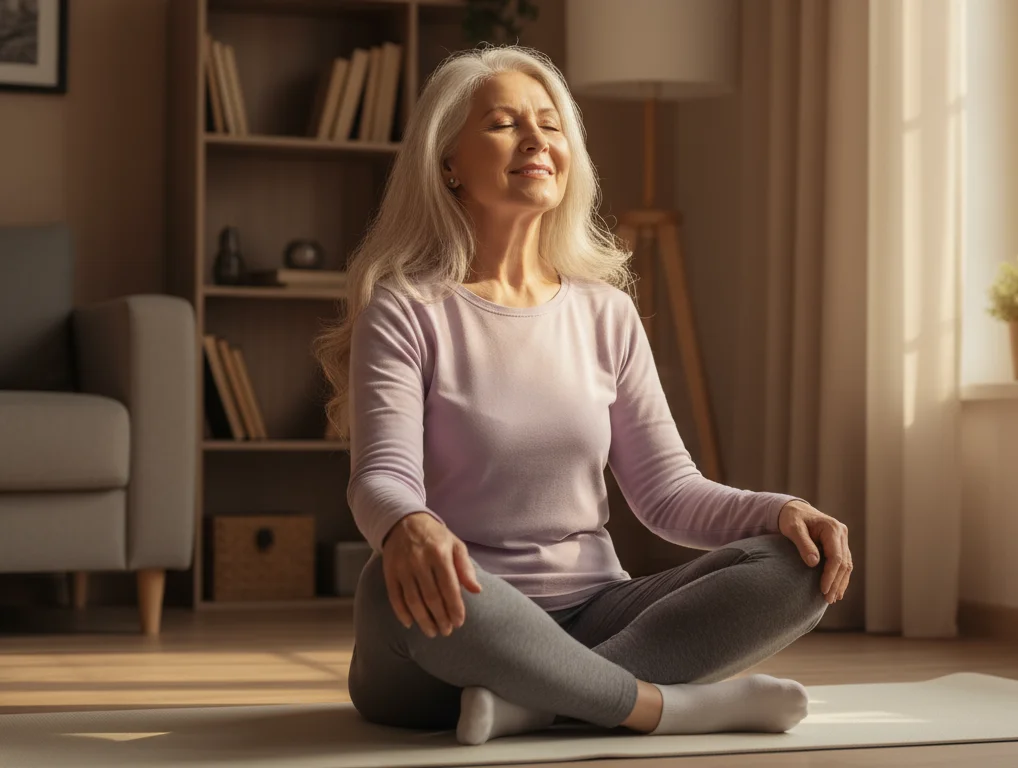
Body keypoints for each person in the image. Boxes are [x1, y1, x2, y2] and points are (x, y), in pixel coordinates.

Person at [314, 45, 854, 747]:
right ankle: (662, 708)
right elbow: (380, 476)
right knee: (394, 590)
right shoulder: (408, 309)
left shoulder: (606, 313)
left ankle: (538, 706)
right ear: (447, 162)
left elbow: (668, 493)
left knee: (797, 568)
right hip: (460, 618)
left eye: (551, 124)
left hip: (597, 611)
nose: (537, 139)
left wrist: (783, 511)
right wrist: (406, 524)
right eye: (505, 123)